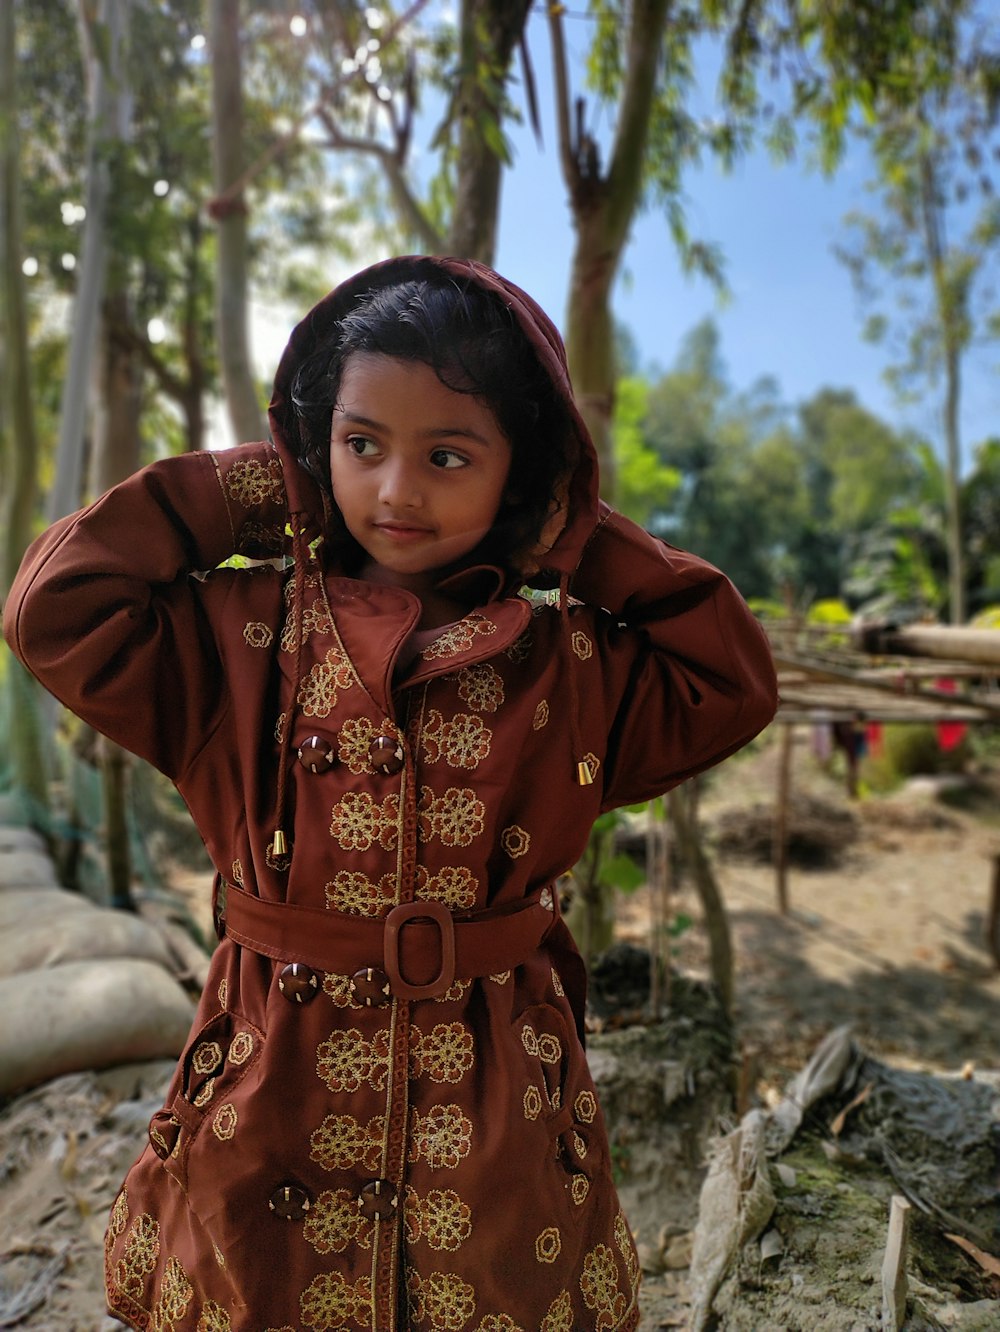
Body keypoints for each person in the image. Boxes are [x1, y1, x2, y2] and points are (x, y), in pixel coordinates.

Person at [3, 255, 778, 1332]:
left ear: (521, 471)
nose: (396, 492)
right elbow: (56, 605)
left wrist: (571, 534)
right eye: (361, 445)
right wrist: (276, 487)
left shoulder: (570, 662)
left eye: (449, 454)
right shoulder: (241, 634)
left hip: (496, 1077)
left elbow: (729, 678)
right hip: (273, 1071)